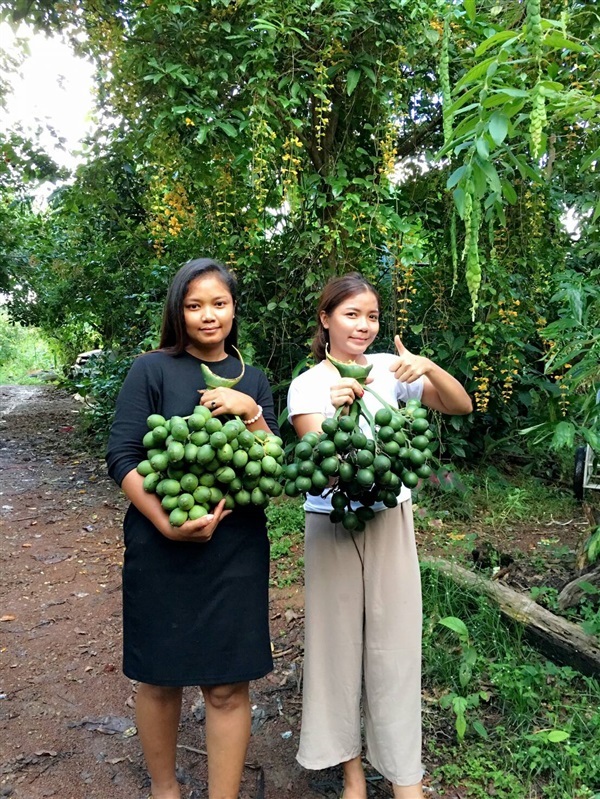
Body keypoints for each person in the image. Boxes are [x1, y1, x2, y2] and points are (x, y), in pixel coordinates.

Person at [287, 273, 472, 799]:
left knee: (395, 646)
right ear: (325, 319)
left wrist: (429, 365)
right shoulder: (308, 385)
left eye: (371, 316)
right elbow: (324, 469)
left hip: (391, 517)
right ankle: (350, 776)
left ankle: (403, 775)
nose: (363, 326)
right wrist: (341, 409)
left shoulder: (393, 371)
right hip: (333, 521)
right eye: (351, 315)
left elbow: (460, 405)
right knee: (335, 647)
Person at [106, 258, 277, 799]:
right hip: (161, 545)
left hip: (236, 550)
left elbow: (273, 470)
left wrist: (250, 411)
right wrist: (164, 522)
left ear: (234, 308)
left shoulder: (254, 380)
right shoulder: (151, 370)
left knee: (228, 684)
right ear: (178, 311)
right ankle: (165, 790)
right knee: (158, 677)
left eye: (219, 304)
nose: (209, 316)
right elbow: (122, 456)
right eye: (195, 305)